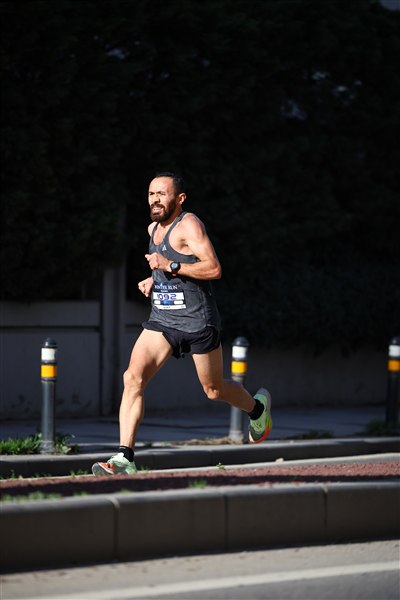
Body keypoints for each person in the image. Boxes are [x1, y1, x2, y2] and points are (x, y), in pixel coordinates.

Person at [92, 172, 272, 476]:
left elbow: (213, 269)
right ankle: (124, 457)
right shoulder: (153, 228)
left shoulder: (189, 225)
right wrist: (154, 279)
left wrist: (170, 265)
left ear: (180, 198)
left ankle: (257, 409)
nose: (155, 200)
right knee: (133, 378)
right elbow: (166, 268)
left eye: (162, 194)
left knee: (213, 389)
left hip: (198, 321)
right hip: (163, 320)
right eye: (151, 194)